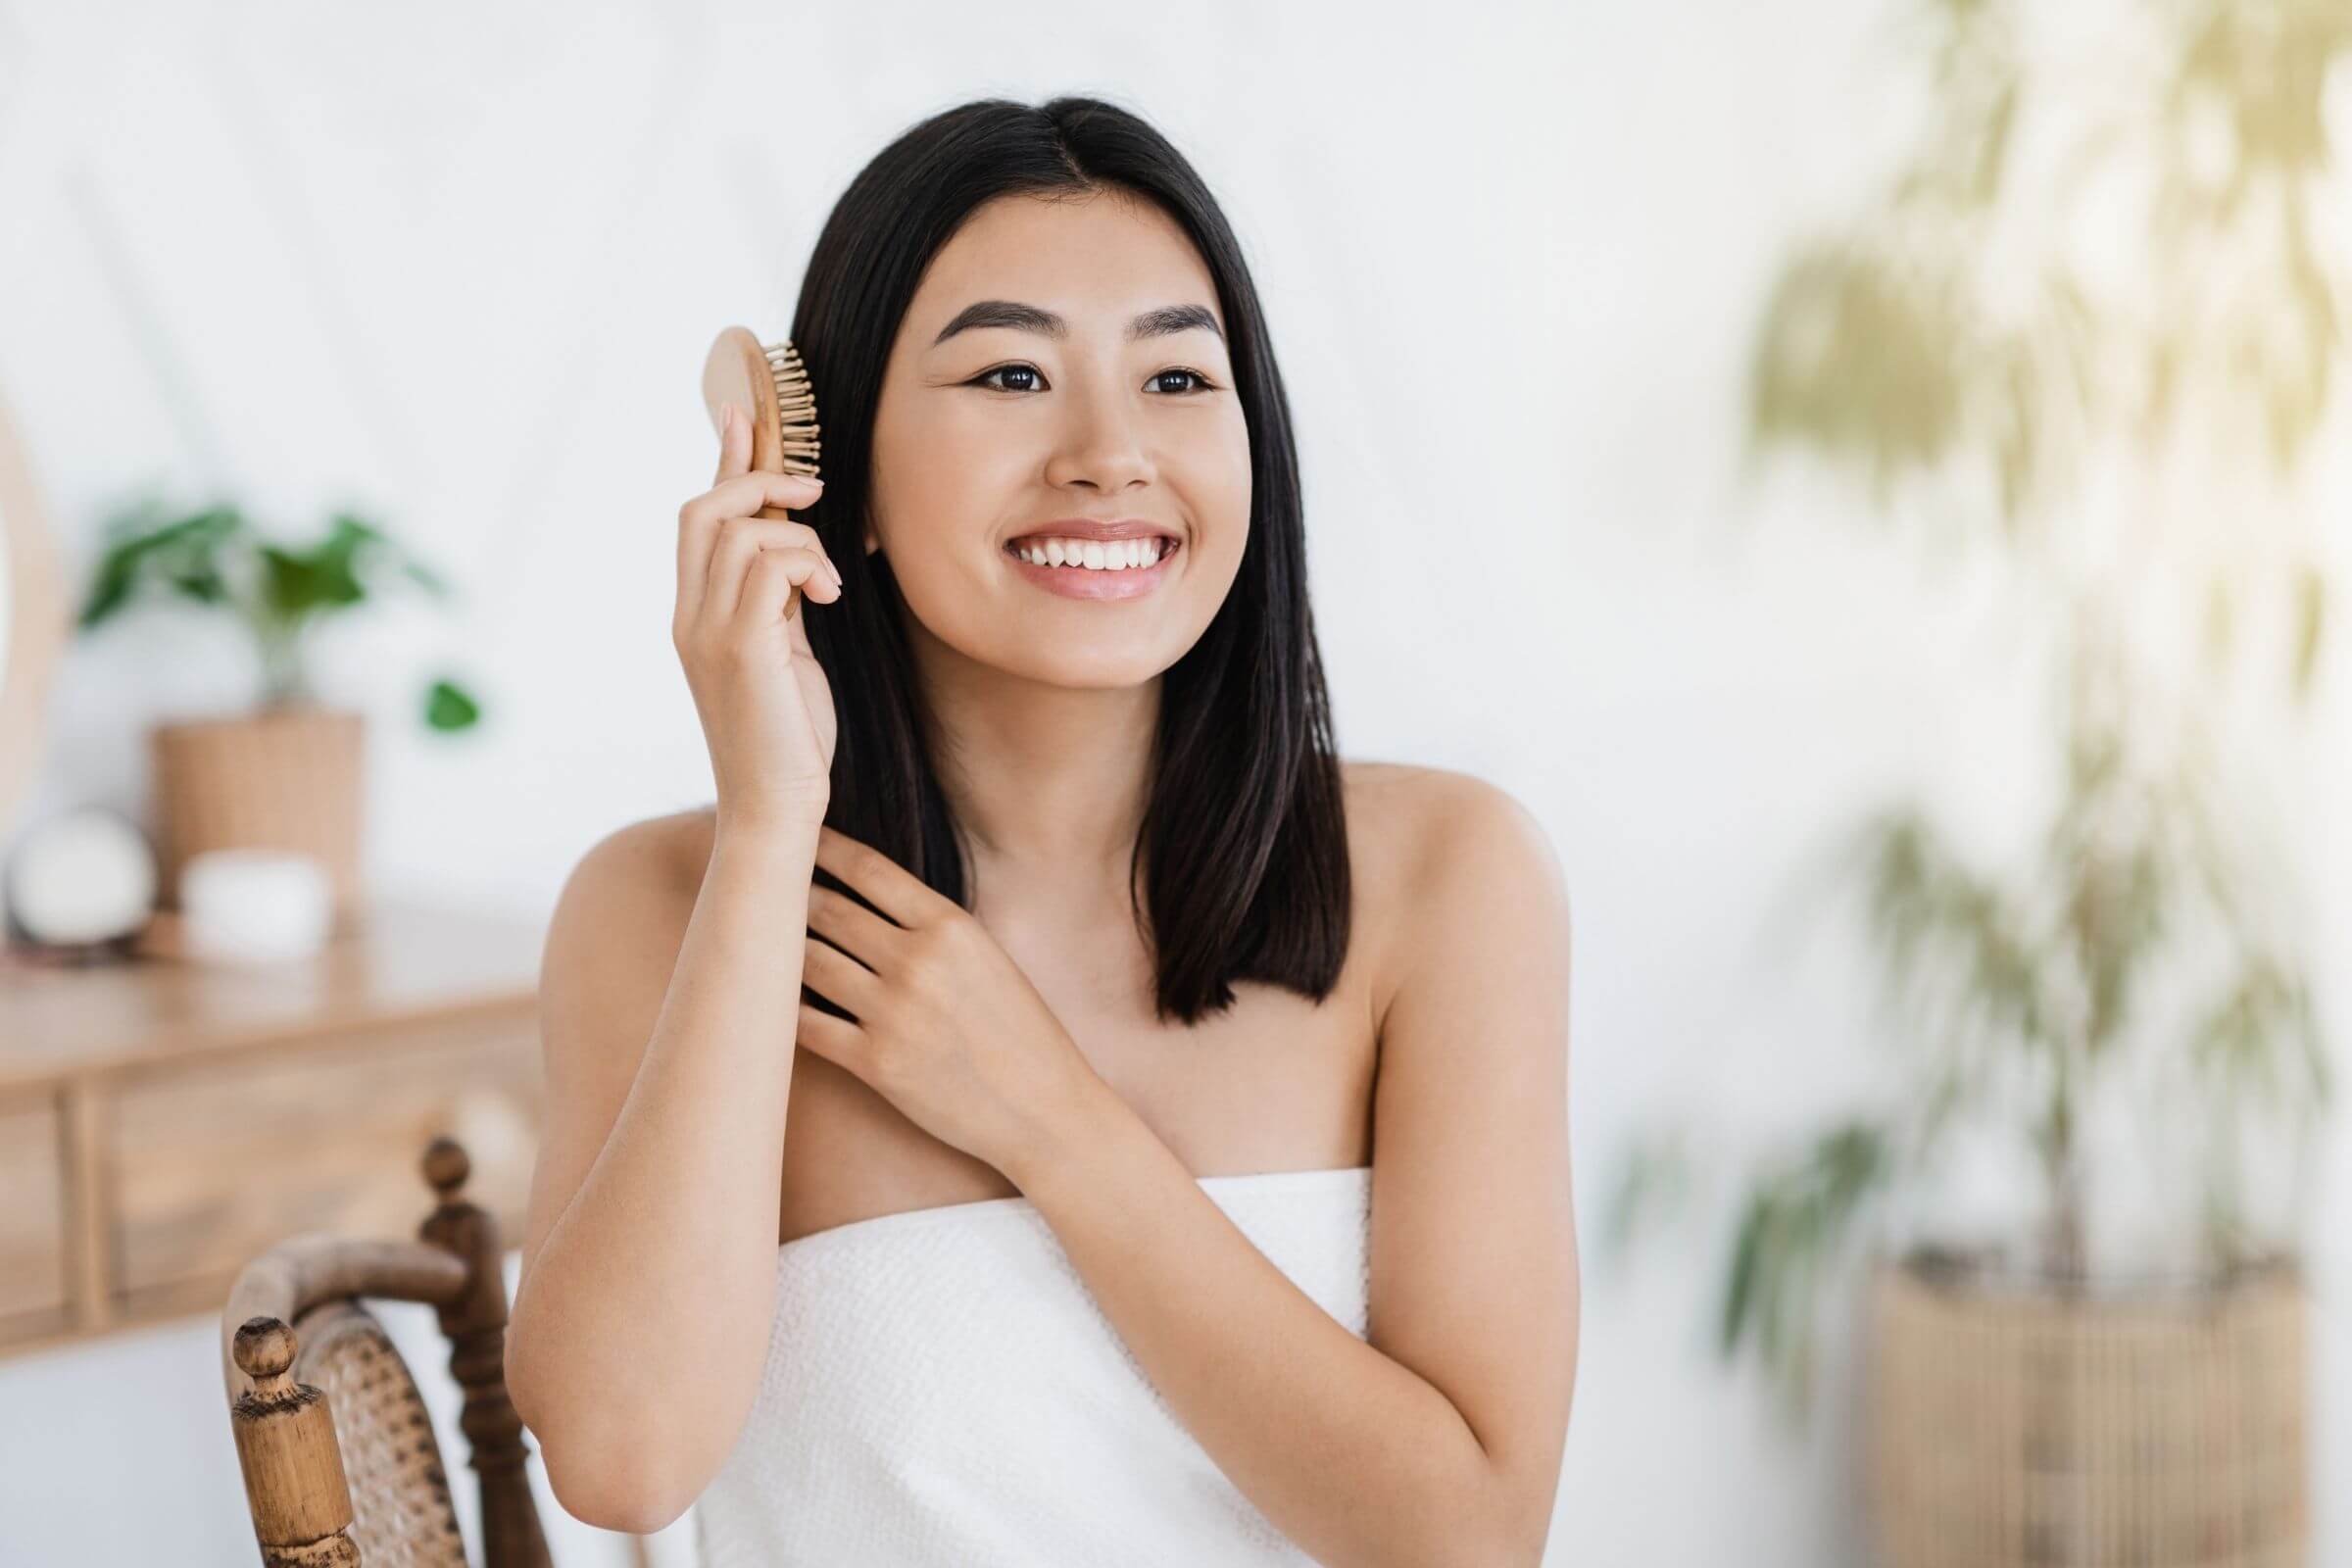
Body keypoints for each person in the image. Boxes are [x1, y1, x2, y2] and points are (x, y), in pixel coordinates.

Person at [504, 94, 1578, 1567]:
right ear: (835, 475)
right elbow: (621, 1461)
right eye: (1012, 372)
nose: (1108, 454)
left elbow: (1469, 1539)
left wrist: (1044, 1117)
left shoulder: (1451, 879)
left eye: (1178, 381)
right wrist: (769, 824)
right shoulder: (661, 901)